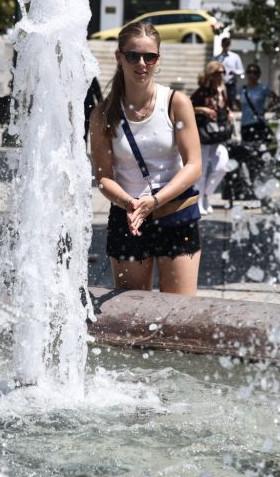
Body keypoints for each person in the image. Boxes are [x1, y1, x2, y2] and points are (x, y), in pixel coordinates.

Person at [88, 21, 203, 295]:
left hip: (175, 213)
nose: (142, 63)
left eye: (149, 56)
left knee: (177, 318)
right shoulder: (103, 113)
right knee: (133, 320)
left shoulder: (176, 103)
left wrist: (154, 201)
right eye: (133, 55)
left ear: (158, 59)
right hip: (129, 219)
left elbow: (194, 164)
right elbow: (103, 176)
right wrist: (130, 203)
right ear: (119, 57)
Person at [190, 61, 234, 215]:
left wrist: (229, 112)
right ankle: (199, 200)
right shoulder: (202, 92)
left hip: (218, 136)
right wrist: (203, 110)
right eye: (217, 73)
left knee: (222, 166)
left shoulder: (223, 90)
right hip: (203, 136)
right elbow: (188, 106)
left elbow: (226, 106)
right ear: (210, 75)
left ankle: (207, 194)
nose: (221, 76)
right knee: (200, 172)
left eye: (223, 72)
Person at [214, 37, 245, 109]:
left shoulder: (235, 57)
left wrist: (235, 72)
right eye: (224, 44)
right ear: (222, 45)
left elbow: (241, 70)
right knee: (219, 101)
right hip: (219, 83)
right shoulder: (216, 57)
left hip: (230, 83)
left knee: (230, 101)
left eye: (227, 44)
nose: (226, 46)